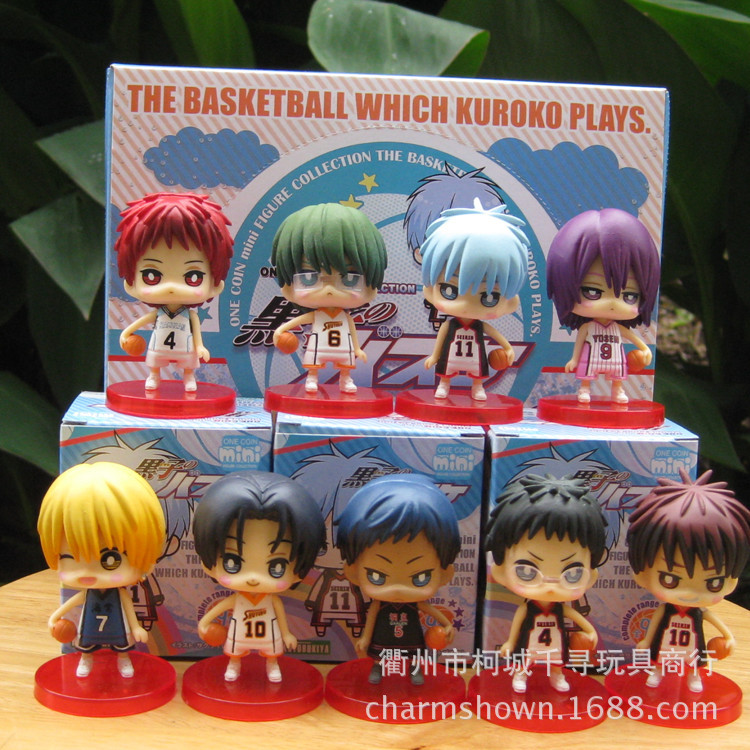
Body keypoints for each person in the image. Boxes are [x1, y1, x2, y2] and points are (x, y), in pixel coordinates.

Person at [192, 471, 326, 683]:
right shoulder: (237, 599)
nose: (253, 578)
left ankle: (272, 666)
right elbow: (215, 612)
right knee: (235, 652)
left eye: (277, 567)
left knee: (271, 652)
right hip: (240, 633)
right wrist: (204, 624)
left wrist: (287, 634)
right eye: (232, 562)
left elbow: (281, 618)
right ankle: (234, 665)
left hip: (268, 634)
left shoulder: (271, 600)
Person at [37, 462, 165, 678]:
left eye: (110, 560)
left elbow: (130, 612)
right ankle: (85, 660)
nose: (88, 573)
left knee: (122, 645)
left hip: (117, 627)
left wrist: (136, 628)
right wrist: (53, 619)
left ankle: (124, 660)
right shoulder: (87, 595)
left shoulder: (120, 594)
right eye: (70, 557)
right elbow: (70, 604)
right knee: (86, 645)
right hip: (89, 627)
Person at [627, 469, 750, 692]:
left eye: (712, 583)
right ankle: (657, 673)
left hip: (691, 645)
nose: (690, 593)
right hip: (666, 643)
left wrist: (728, 638)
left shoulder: (698, 613)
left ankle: (694, 677)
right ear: (642, 573)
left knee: (694, 661)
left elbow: (717, 624)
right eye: (670, 579)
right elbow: (654, 625)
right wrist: (645, 641)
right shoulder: (666, 611)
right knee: (660, 657)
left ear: (732, 580)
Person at [485, 473, 607, 693]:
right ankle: (520, 675)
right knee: (524, 658)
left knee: (557, 660)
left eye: (572, 574)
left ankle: (557, 676)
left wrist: (591, 634)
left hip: (555, 642)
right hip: (529, 642)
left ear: (590, 575)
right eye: (527, 572)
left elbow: (580, 620)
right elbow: (516, 628)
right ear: (501, 572)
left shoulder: (560, 609)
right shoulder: (528, 609)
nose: (550, 585)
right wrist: (510, 642)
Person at [336, 474, 460, 685]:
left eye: (420, 577)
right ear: (353, 572)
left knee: (413, 654)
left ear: (444, 574)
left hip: (410, 635)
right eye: (377, 576)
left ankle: (414, 669)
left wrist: (448, 625)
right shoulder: (379, 604)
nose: (398, 589)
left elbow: (431, 610)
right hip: (383, 635)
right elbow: (371, 619)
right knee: (379, 653)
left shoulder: (416, 603)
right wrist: (365, 638)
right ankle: (377, 667)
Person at [115, 192, 233, 391]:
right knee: (155, 359)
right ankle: (154, 375)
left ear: (215, 283)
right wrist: (126, 333)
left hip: (184, 345)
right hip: (160, 344)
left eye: (193, 277)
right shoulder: (159, 314)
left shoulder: (188, 316)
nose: (171, 287)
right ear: (131, 281)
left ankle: (189, 377)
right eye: (152, 276)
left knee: (188, 361)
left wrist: (200, 347)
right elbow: (139, 323)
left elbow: (196, 334)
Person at [546, 208, 660, 404]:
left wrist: (645, 349)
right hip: (592, 357)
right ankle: (584, 388)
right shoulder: (588, 327)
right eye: (593, 291)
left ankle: (618, 391)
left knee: (618, 374)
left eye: (629, 296)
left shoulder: (617, 329)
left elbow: (633, 337)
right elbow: (579, 343)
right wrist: (574, 360)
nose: (613, 303)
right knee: (587, 372)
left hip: (614, 358)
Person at [271, 203, 387, 393]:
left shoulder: (344, 317)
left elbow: (352, 331)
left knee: (345, 364)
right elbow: (295, 322)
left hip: (342, 346)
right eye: (309, 278)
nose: (329, 290)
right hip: (320, 345)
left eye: (349, 279)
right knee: (314, 362)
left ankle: (345, 380)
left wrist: (357, 349)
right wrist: (280, 331)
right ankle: (311, 379)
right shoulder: (317, 316)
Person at [420, 200, 529, 400]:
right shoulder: (450, 325)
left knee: (478, 372)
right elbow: (441, 340)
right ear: (430, 290)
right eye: (450, 290)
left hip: (474, 356)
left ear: (510, 302)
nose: (465, 305)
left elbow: (496, 335)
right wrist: (435, 356)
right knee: (446, 369)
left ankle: (477, 387)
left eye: (489, 297)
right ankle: (444, 385)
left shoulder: (479, 326)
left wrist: (507, 348)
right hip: (452, 355)